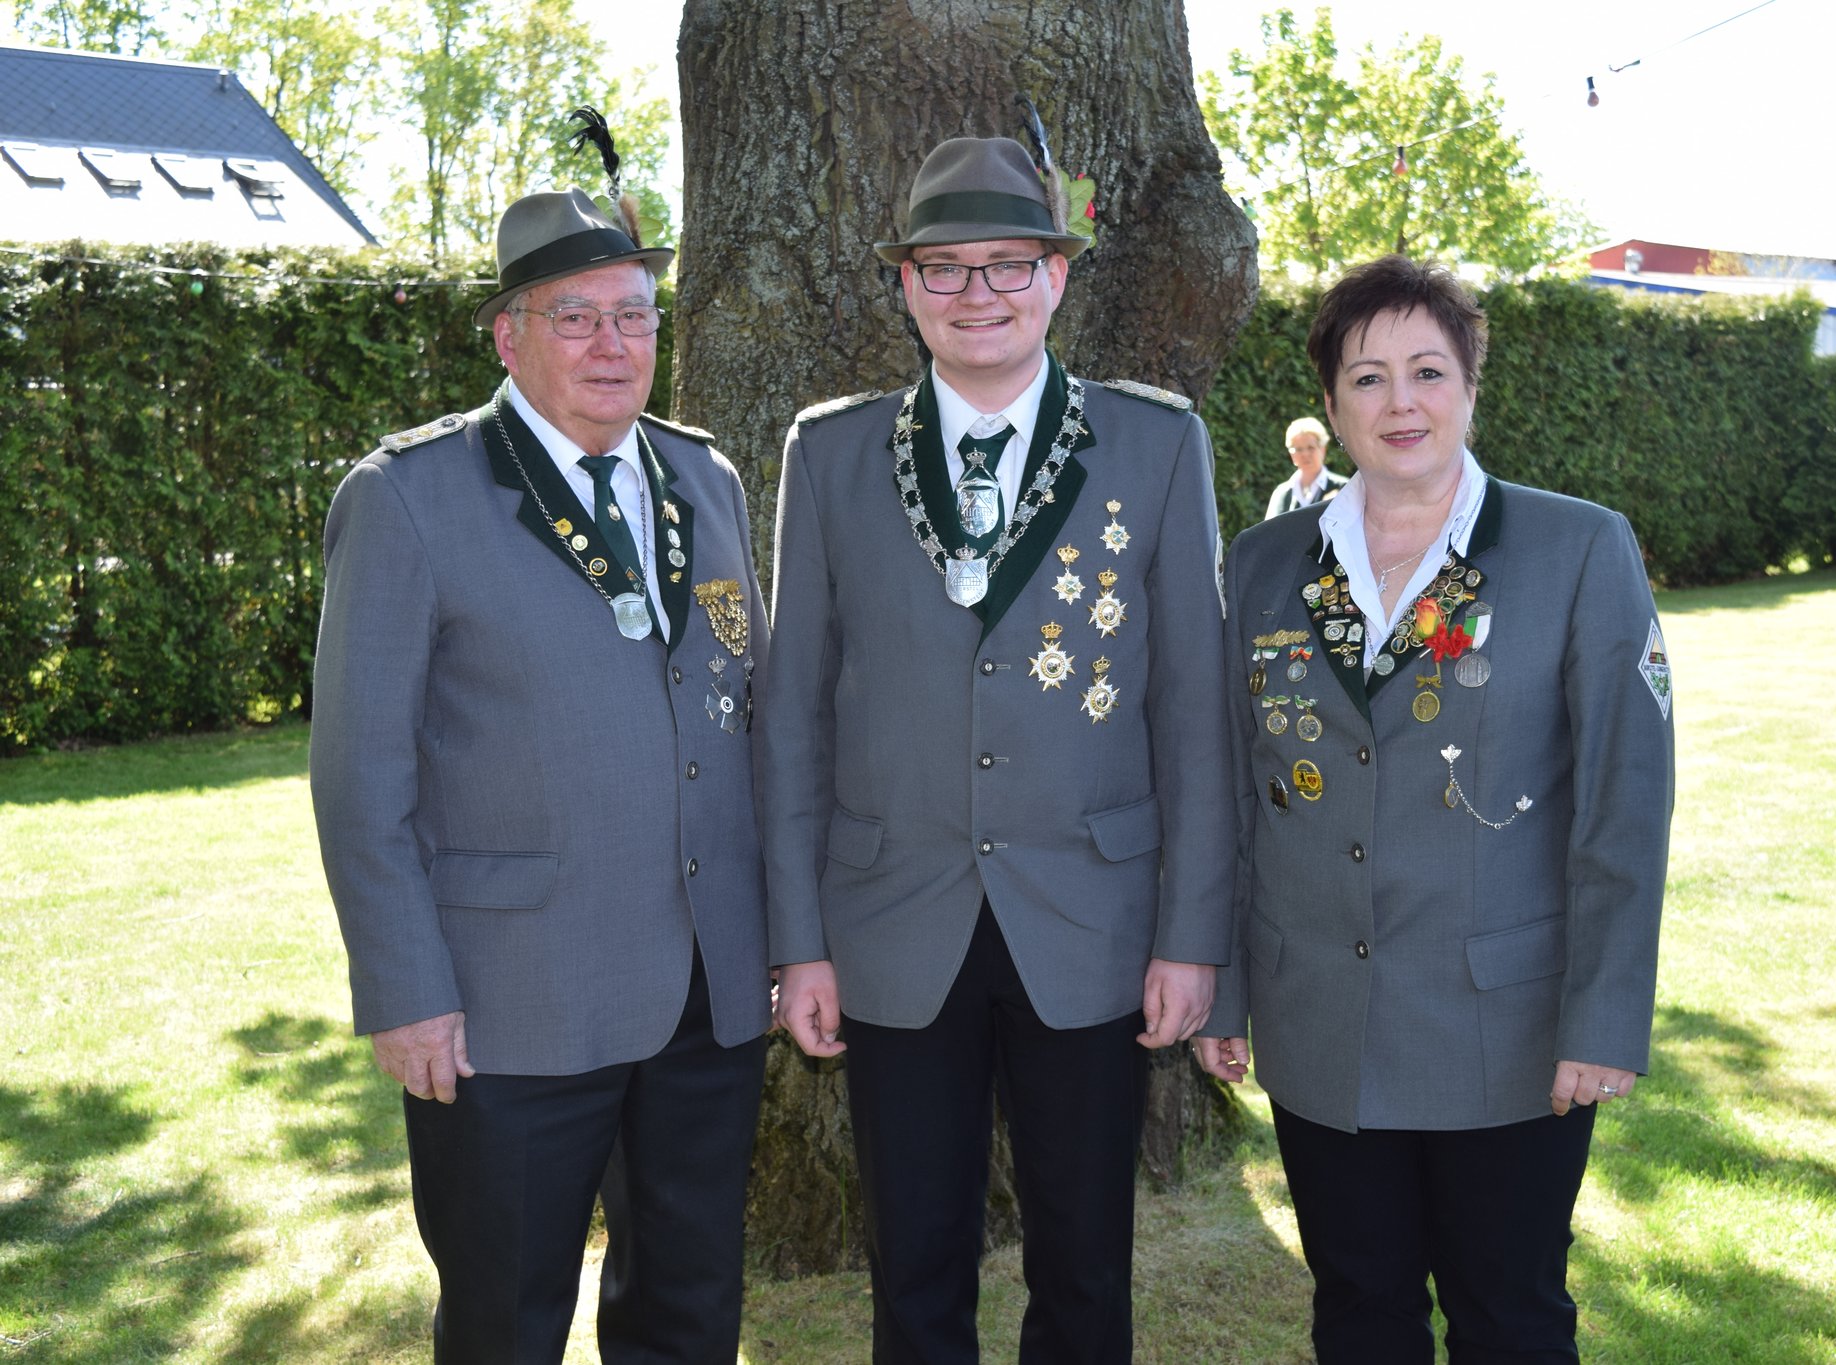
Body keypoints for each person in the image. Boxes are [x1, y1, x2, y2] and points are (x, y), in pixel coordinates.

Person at [757, 132, 1236, 1364]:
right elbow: (794, 711)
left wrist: (1192, 937)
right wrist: (797, 944)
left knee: (1084, 1266)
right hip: (888, 917)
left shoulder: (1152, 445)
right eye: (946, 267)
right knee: (913, 1265)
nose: (979, 293)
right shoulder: (829, 453)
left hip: (1091, 915)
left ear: (1056, 278)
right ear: (905, 285)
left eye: (1008, 263)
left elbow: (1190, 710)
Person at [308, 146, 771, 1362]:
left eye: (634, 315)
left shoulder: (702, 476)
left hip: (702, 996)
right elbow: (362, 775)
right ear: (507, 338)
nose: (614, 344)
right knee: (506, 1319)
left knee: (688, 1309)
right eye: (576, 317)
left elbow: (745, 706)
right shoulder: (410, 496)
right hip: (510, 1002)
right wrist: (404, 990)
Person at [1197, 255, 1674, 1361]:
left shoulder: (1573, 548)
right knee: (1357, 1312)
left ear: (1469, 386)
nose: (1397, 403)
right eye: (1365, 379)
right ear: (1328, 405)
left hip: (1502, 1030)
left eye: (1425, 370)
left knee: (1508, 1315)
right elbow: (1230, 793)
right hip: (1318, 1019)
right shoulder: (1268, 563)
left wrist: (1601, 1019)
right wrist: (1223, 985)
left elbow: (1622, 801)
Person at [1263, 415, 1350, 519]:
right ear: (1291, 454)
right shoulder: (1282, 493)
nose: (1305, 454)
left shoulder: (1344, 488)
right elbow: (1270, 532)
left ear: (1323, 449)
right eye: (1299, 449)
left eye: (1310, 447)